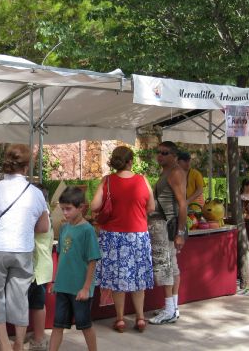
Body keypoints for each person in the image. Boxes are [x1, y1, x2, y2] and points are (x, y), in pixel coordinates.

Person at [0, 144, 49, 351]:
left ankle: (5, 345)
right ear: (26, 166)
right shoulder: (36, 193)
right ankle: (18, 342)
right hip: (22, 249)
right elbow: (43, 228)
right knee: (19, 297)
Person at [91, 145, 154, 333]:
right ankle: (140, 318)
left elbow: (95, 205)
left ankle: (119, 319)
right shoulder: (142, 180)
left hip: (113, 237)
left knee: (118, 280)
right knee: (137, 278)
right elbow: (151, 206)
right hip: (138, 236)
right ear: (130, 161)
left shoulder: (107, 181)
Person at [49, 187, 101, 351]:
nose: (65, 213)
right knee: (57, 326)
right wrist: (55, 281)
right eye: (62, 208)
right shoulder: (64, 228)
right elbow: (61, 257)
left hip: (80, 289)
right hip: (63, 287)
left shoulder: (88, 230)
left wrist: (86, 288)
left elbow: (92, 260)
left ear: (81, 207)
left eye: (68, 209)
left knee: (85, 325)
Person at [149, 141, 187, 325]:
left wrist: (180, 232)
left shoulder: (175, 173)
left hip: (167, 225)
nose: (160, 156)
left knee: (165, 266)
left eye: (164, 153)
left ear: (173, 155)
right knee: (171, 265)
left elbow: (182, 204)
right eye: (158, 152)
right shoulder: (168, 172)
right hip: (166, 225)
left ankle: (170, 309)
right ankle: (172, 306)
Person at [27, 183, 54, 351]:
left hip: (37, 268)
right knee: (36, 303)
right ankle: (38, 335)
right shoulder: (46, 212)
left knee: (37, 304)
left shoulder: (40, 216)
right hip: (40, 267)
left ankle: (39, 338)